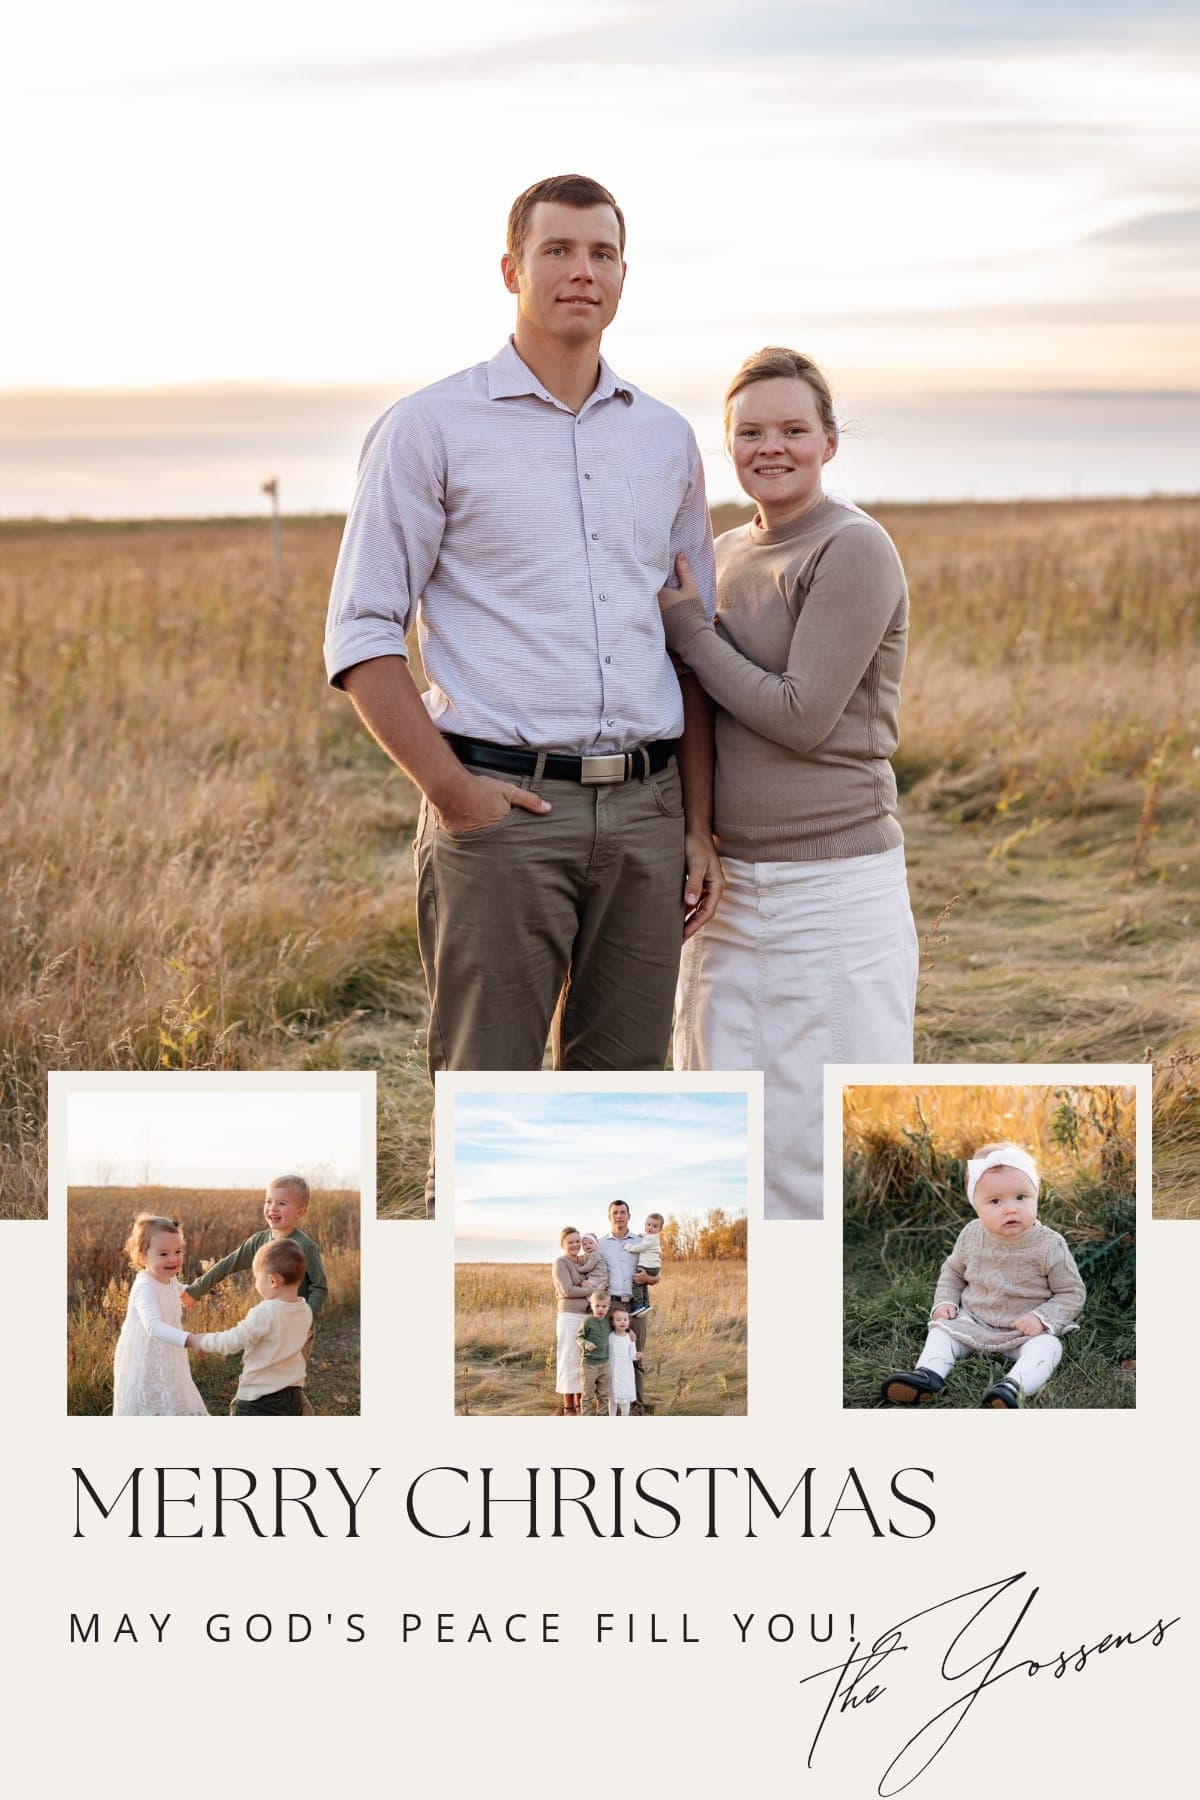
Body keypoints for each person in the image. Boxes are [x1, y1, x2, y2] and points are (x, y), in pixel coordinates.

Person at [322, 173, 723, 1215]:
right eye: (558, 251)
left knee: (627, 1094)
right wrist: (456, 796)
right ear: (512, 270)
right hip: (502, 810)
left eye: (601, 253)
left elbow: (691, 646)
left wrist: (698, 826)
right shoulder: (430, 428)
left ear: (624, 277)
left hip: (645, 811)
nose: (580, 272)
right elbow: (363, 635)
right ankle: (459, 1349)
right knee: (485, 1098)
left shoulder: (668, 439)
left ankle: (604, 1333)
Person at [659, 347, 918, 1221]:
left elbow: (803, 714)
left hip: (835, 888)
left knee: (822, 1126)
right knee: (723, 1110)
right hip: (730, 887)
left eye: (794, 429)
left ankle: (836, 1318)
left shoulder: (854, 548)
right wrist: (698, 833)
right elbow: (697, 703)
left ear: (829, 442)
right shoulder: (723, 552)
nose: (772, 447)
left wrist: (691, 631)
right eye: (751, 431)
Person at [882, 1142, 1087, 1408]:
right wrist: (945, 1302)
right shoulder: (971, 1234)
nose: (1010, 1208)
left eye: (1021, 1197)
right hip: (973, 1321)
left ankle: (1013, 1387)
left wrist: (1042, 1318)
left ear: (1036, 1195)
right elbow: (953, 1272)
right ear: (975, 1205)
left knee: (1048, 1347)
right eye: (995, 1201)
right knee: (941, 1333)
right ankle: (928, 1374)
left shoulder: (1049, 1245)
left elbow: (1071, 1292)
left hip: (1023, 1331)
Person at [181, 1175, 326, 1415]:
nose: (272, 1208)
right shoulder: (259, 1242)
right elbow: (227, 1264)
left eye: (282, 1203)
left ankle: (285, 1408)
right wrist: (197, 1289)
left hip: (297, 1324)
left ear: (301, 1212)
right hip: (271, 1322)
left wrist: (310, 1319)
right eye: (269, 1201)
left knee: (289, 1375)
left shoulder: (305, 1246)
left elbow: (319, 1286)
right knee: (267, 1372)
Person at [186, 1238, 313, 1417]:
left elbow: (233, 1340)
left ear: (272, 1281)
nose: (255, 1284)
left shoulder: (266, 1311)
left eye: (257, 1279)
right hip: (294, 1396)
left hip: (260, 1399)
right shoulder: (305, 1310)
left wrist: (202, 1341)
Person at [112, 1214, 207, 1416]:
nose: (173, 1259)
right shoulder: (145, 1286)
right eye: (163, 1254)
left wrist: (196, 1290)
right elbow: (153, 1326)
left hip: (168, 1353)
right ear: (142, 1256)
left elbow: (180, 1289)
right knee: (151, 1398)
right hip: (145, 1358)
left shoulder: (169, 1279)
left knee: (172, 1391)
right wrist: (190, 1339)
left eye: (178, 1251)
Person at [597, 1199, 656, 1410]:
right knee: (608, 1356)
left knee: (636, 1357)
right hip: (611, 1306)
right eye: (615, 1213)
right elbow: (593, 1271)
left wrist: (647, 1280)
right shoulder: (601, 1244)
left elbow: (656, 1277)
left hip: (636, 1306)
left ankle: (637, 1406)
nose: (619, 1216)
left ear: (629, 1216)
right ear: (609, 1216)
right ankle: (608, 1406)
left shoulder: (642, 1242)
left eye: (623, 1212)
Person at [553, 1225, 608, 1415]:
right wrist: (594, 1291)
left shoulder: (586, 1260)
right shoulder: (561, 1262)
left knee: (581, 1362)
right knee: (568, 1360)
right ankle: (568, 1407)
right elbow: (567, 1291)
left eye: (578, 1241)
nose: (575, 1245)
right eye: (571, 1242)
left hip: (586, 1316)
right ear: (563, 1244)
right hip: (569, 1316)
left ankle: (580, 1405)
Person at [577, 1290, 613, 1416]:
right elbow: (579, 1337)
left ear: (608, 1307)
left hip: (604, 1363)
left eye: (604, 1306)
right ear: (591, 1305)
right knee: (587, 1394)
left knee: (603, 1394)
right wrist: (586, 1344)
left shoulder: (608, 1322)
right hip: (589, 1365)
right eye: (597, 1306)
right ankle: (585, 1415)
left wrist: (629, 1331)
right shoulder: (587, 1322)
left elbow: (620, 1328)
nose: (600, 1309)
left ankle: (601, 1414)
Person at [623, 1210, 664, 1316]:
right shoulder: (651, 1237)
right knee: (643, 1285)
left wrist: (628, 1247)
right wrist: (643, 1235)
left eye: (655, 1226)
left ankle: (638, 1305)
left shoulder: (651, 1238)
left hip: (647, 1266)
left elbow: (641, 1247)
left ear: (660, 1229)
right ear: (645, 1224)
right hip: (653, 1266)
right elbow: (647, 1239)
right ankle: (646, 1304)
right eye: (648, 1225)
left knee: (637, 1283)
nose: (651, 1227)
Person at [606, 1307, 641, 1416]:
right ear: (612, 1322)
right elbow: (607, 1353)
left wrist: (637, 1356)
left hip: (626, 1371)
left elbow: (632, 1355)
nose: (622, 1322)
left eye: (625, 1320)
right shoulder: (610, 1337)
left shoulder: (630, 1338)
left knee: (625, 1398)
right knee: (613, 1397)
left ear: (629, 1322)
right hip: (613, 1371)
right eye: (619, 1320)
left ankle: (624, 1416)